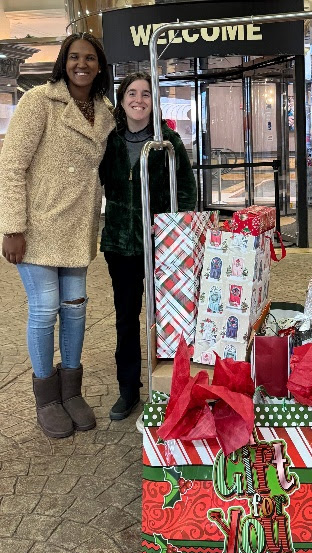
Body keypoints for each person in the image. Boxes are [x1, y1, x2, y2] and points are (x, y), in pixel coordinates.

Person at [0, 33, 115, 439]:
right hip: (36, 227)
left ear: (99, 66)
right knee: (45, 308)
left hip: (78, 226)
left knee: (76, 308)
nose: (80, 64)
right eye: (73, 57)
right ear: (63, 62)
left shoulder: (104, 111)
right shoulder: (39, 102)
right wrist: (12, 228)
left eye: (89, 58)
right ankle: (47, 398)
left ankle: (71, 392)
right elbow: (12, 166)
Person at [100, 72, 196, 421]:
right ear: (122, 98)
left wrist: (179, 239)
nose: (138, 99)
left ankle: (173, 386)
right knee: (127, 320)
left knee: (170, 318)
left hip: (161, 246)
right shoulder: (108, 140)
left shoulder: (167, 142)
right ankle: (129, 390)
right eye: (131, 93)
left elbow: (185, 191)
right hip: (119, 245)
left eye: (145, 93)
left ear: (154, 102)